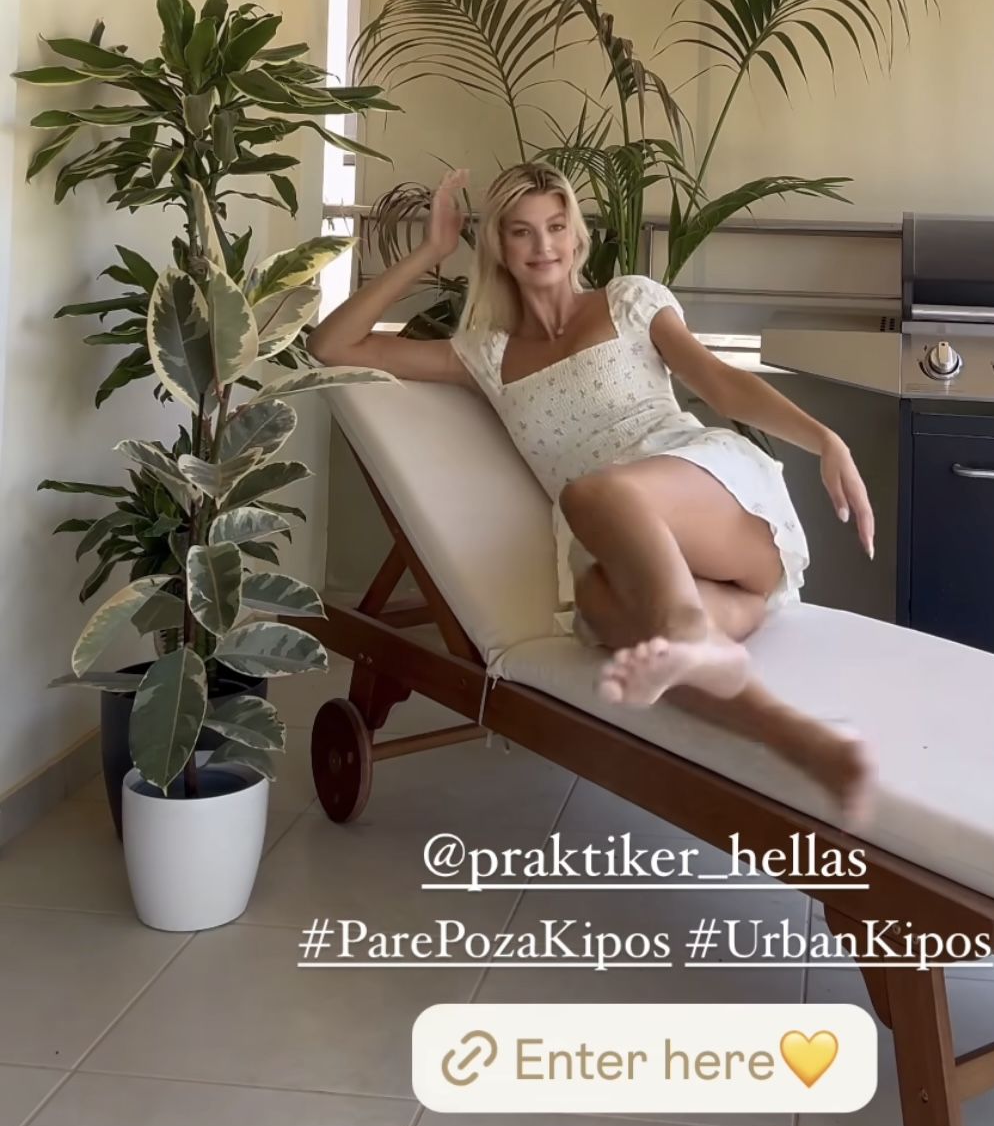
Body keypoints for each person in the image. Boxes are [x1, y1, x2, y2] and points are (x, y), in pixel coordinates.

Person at [308, 163, 877, 818]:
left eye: (556, 226)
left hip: (713, 498)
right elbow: (332, 345)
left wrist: (824, 439)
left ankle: (687, 629)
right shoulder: (483, 355)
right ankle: (805, 741)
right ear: (498, 246)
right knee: (611, 618)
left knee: (591, 496)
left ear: (576, 237)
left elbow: (721, 384)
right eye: (521, 231)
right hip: (639, 554)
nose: (542, 245)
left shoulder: (629, 302)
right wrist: (431, 249)